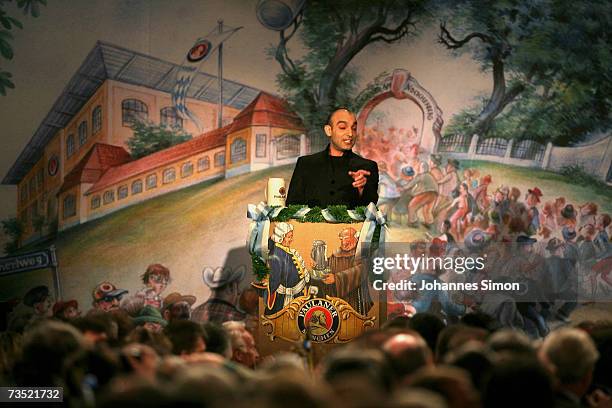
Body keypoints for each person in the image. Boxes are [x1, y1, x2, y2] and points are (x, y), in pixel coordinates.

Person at [286, 108, 379, 208]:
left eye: (354, 128)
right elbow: (292, 205)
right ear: (329, 130)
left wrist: (361, 189)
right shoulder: (306, 164)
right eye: (343, 127)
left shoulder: (367, 167)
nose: (350, 134)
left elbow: (371, 211)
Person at [319, 227, 372, 315]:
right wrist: (319, 267)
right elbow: (327, 267)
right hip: (336, 300)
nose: (344, 242)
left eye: (347, 238)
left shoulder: (362, 254)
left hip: (355, 299)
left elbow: (360, 271)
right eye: (341, 239)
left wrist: (336, 278)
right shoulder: (336, 254)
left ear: (356, 238)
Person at [263, 222, 309, 314]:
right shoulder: (277, 253)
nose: (291, 239)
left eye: (291, 236)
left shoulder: (284, 250)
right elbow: (275, 277)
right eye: (289, 237)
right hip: (285, 298)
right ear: (281, 237)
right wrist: (271, 289)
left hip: (297, 294)